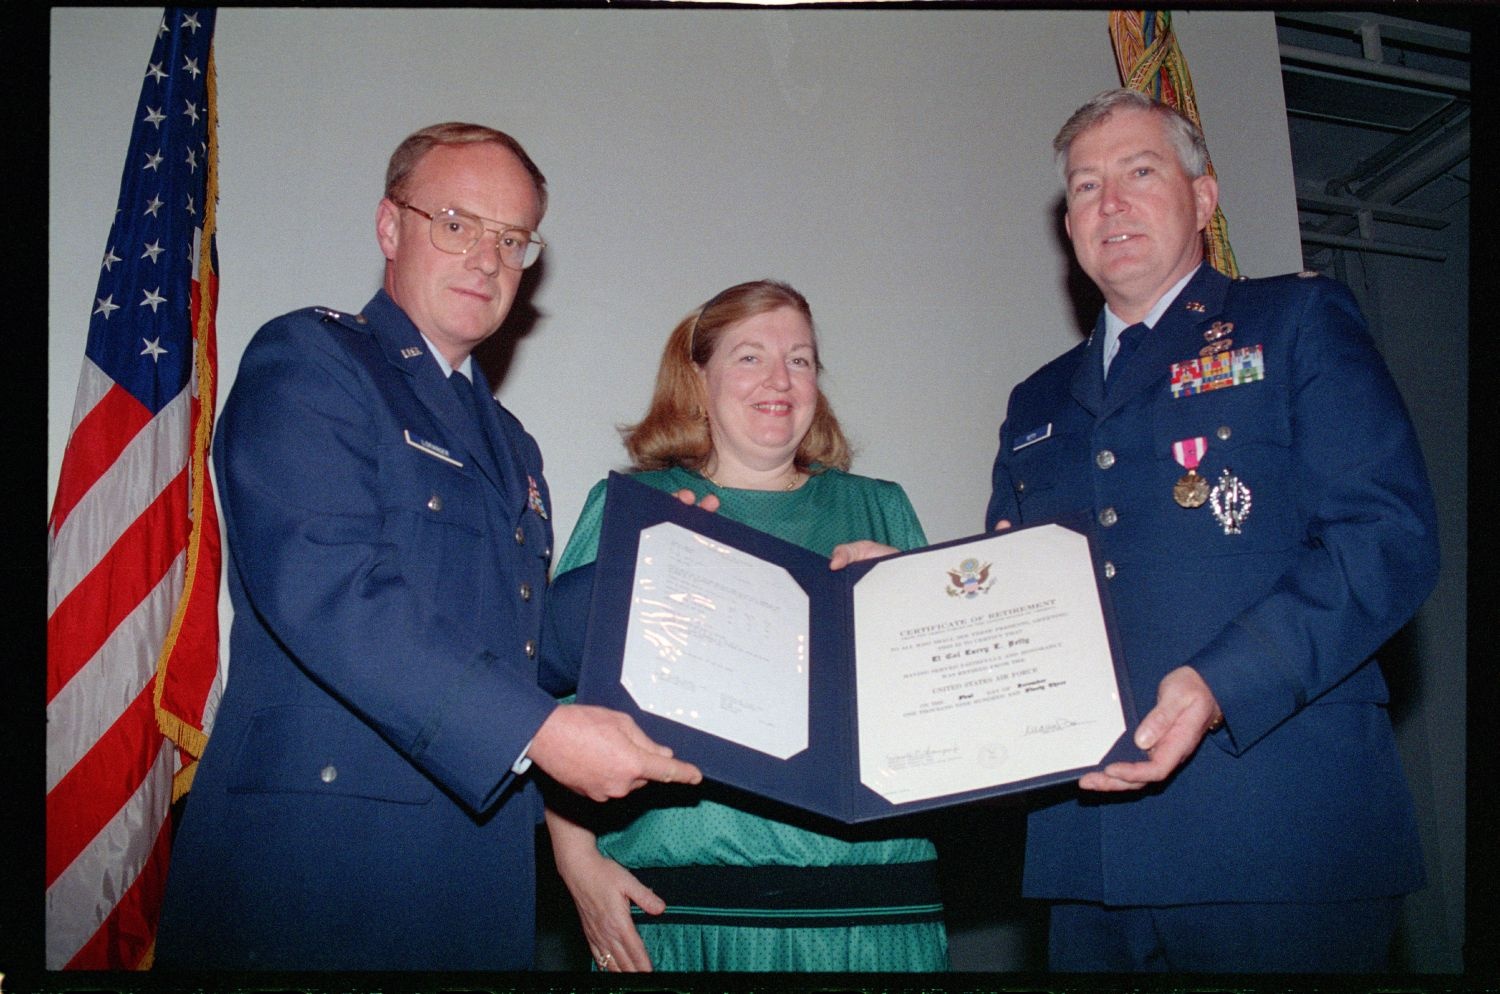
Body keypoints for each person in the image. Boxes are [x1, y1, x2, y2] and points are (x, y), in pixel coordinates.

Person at [155, 122, 699, 971]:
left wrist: (671, 569)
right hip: (322, 873)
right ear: (390, 227)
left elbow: (522, 639)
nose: (488, 257)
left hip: (472, 871)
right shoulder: (313, 359)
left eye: (512, 239)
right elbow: (329, 592)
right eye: (457, 223)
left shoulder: (511, 443)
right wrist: (540, 732)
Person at [985, 88, 1439, 972]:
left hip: (1277, 830)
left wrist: (1222, 683)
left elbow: (1384, 538)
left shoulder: (1296, 322)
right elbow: (1013, 601)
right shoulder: (1035, 400)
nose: (1108, 202)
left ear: (1203, 198)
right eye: (1084, 186)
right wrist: (899, 599)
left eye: (1138, 172)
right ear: (1068, 225)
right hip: (1087, 856)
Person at [542, 280, 949, 973]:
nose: (780, 380)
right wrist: (576, 864)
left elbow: (939, 710)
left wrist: (921, 605)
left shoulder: (882, 510)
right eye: (751, 357)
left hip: (875, 920)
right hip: (685, 921)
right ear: (698, 379)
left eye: (800, 360)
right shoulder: (633, 508)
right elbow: (554, 708)